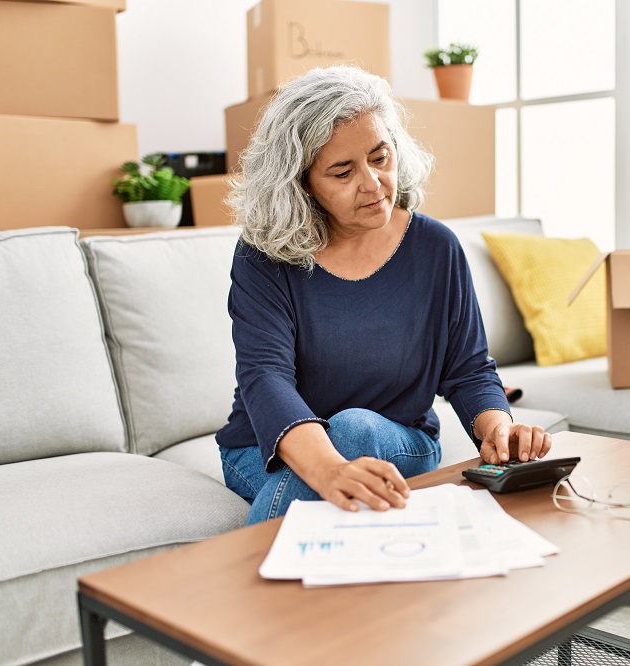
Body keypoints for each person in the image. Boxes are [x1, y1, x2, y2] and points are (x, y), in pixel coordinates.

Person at [216, 65, 552, 525]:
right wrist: (331, 470)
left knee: (354, 429)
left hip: (395, 438)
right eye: (342, 171)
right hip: (263, 450)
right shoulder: (264, 255)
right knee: (341, 456)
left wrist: (500, 428)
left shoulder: (436, 248)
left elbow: (469, 370)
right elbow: (265, 378)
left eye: (380, 157)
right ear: (301, 184)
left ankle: (254, 586)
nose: (373, 183)